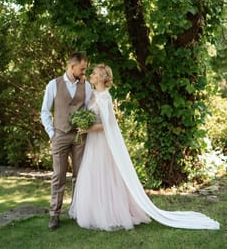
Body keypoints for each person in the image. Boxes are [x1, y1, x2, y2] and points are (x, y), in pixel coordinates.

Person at [69, 63, 220, 231]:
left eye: (95, 73)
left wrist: (87, 129)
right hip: (93, 142)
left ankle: (110, 213)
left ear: (102, 78)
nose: (91, 75)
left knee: (105, 175)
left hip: (103, 143)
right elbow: (91, 115)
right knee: (93, 174)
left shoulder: (105, 97)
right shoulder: (94, 94)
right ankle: (94, 212)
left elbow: (107, 125)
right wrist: (84, 122)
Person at [41, 52, 92, 230]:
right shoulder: (53, 85)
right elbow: (45, 111)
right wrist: (52, 133)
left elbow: (88, 109)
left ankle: (78, 211)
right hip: (60, 135)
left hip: (80, 136)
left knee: (80, 176)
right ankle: (54, 214)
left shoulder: (86, 86)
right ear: (72, 67)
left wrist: (87, 125)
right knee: (58, 176)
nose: (84, 71)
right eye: (82, 68)